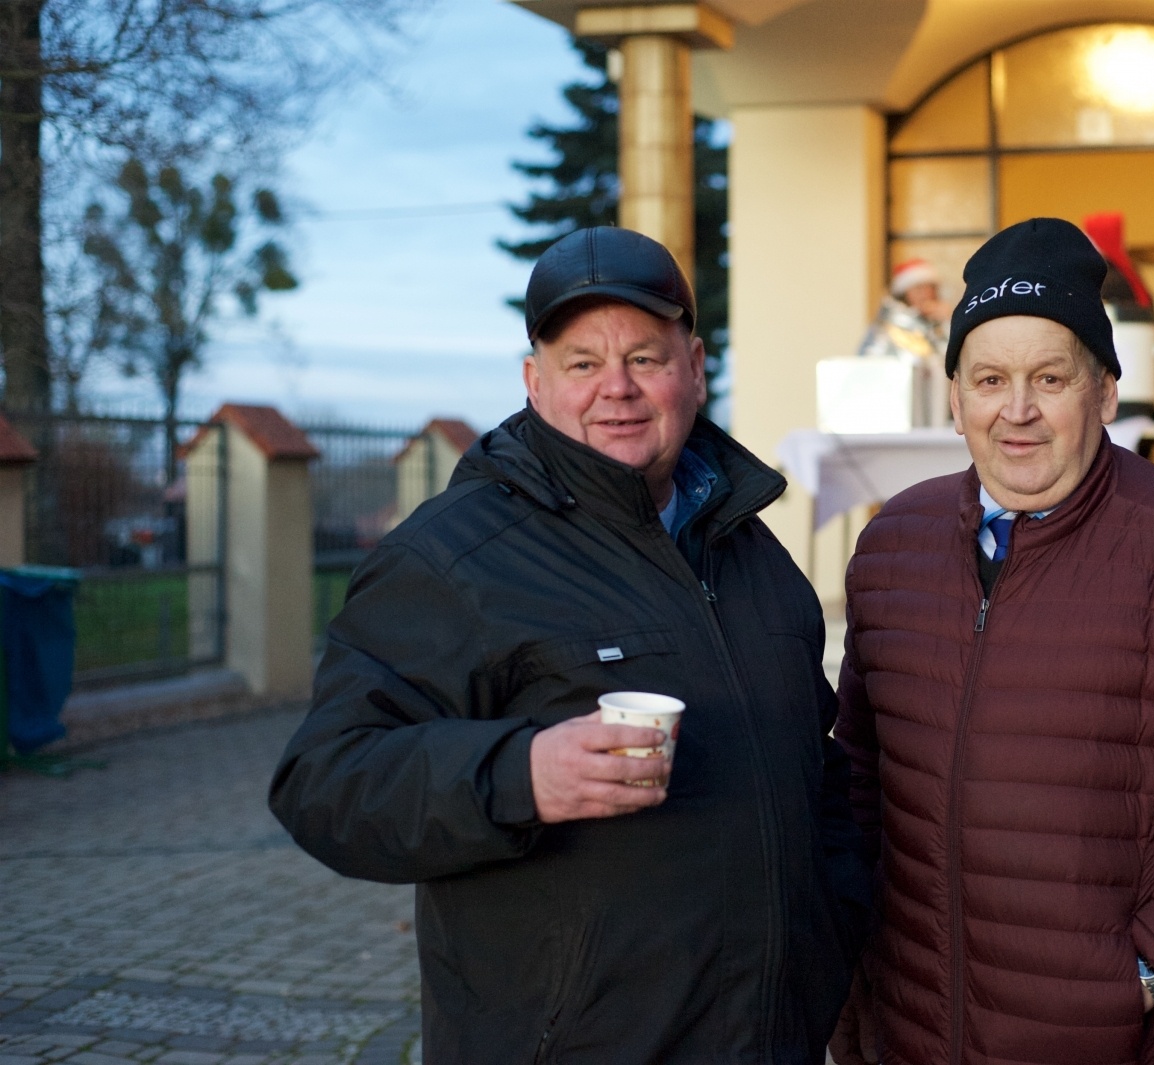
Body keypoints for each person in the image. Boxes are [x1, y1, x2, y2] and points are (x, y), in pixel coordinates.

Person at [270, 226, 870, 1065]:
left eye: (645, 358)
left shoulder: (750, 550)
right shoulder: (452, 558)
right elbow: (324, 783)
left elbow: (818, 769)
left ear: (695, 366)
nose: (616, 388)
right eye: (582, 362)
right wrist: (521, 774)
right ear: (534, 381)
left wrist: (834, 935)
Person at [829, 217, 1154, 1065]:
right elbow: (860, 776)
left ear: (1105, 393)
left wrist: (1149, 972)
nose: (1018, 411)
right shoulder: (896, 544)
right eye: (990, 379)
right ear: (955, 397)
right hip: (918, 1034)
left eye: (1051, 377)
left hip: (1137, 1043)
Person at [858, 258, 951, 362]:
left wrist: (949, 323)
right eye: (919, 288)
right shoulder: (885, 327)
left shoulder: (938, 324)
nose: (927, 294)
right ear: (903, 294)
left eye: (931, 288)